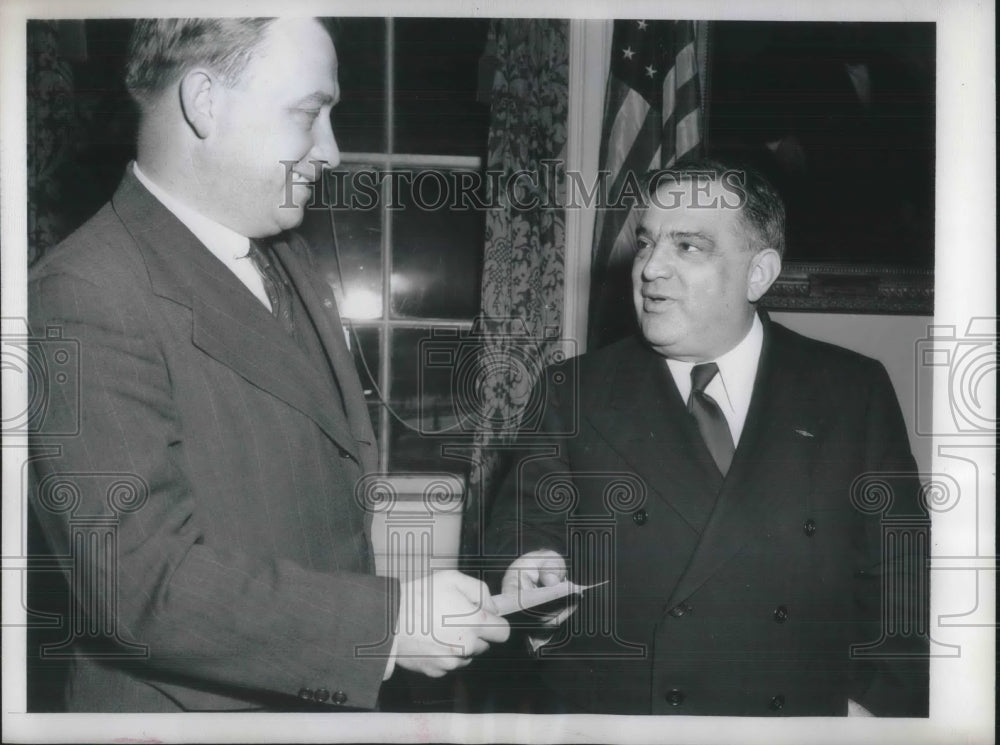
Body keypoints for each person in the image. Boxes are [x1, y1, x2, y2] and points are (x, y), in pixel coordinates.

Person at [28, 17, 507, 712]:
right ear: (204, 102)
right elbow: (140, 584)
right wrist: (390, 623)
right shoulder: (78, 294)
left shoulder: (288, 257)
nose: (333, 152)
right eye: (309, 114)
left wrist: (412, 605)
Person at [486, 160, 929, 716]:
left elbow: (900, 572)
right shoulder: (572, 390)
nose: (650, 269)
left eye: (688, 247)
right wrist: (530, 568)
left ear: (759, 273)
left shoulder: (851, 389)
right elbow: (524, 525)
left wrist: (877, 710)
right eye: (646, 244)